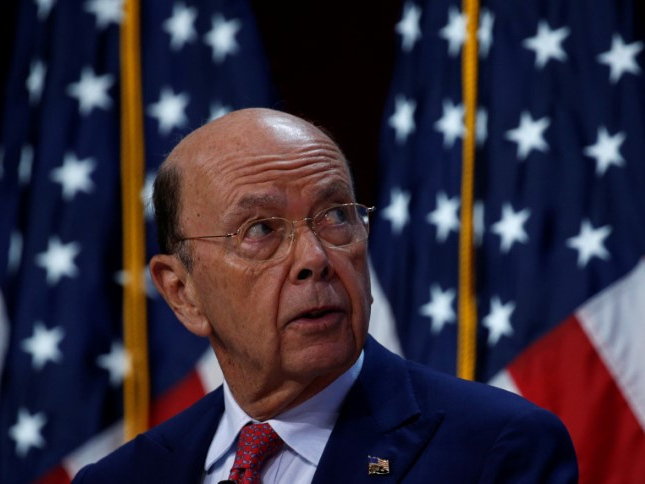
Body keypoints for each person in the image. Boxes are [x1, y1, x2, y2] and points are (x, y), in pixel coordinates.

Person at [73, 108, 578, 483]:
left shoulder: (496, 450)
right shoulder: (120, 477)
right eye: (261, 229)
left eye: (337, 215)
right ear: (182, 292)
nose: (314, 257)